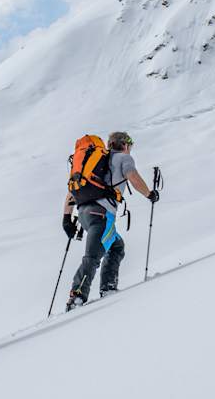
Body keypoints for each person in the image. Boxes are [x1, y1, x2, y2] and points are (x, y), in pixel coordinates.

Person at [62, 131, 158, 310]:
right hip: (102, 214)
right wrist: (150, 194)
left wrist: (66, 219)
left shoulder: (94, 164)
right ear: (126, 144)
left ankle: (108, 288)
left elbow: (71, 191)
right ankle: (77, 297)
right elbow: (133, 177)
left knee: (116, 245)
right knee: (93, 256)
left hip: (84, 213)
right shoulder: (123, 158)